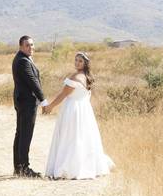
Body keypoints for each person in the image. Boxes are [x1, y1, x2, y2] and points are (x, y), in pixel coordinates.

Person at [42, 51, 114, 180]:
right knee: (82, 137)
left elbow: (62, 95)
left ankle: (69, 168)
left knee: (71, 137)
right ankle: (83, 165)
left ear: (86, 63)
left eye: (80, 61)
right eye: (76, 60)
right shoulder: (87, 76)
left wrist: (50, 106)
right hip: (84, 110)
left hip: (73, 110)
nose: (77, 63)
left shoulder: (75, 77)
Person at [11, 35, 46, 177]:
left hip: (22, 101)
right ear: (21, 46)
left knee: (20, 134)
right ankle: (24, 169)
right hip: (26, 102)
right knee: (25, 135)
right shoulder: (22, 61)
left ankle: (19, 168)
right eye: (27, 45)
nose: (30, 47)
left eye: (32, 44)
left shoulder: (22, 58)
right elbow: (33, 82)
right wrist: (44, 101)